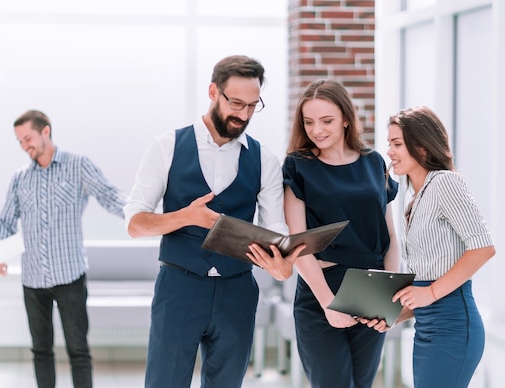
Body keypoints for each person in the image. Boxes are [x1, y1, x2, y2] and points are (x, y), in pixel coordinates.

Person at [124, 55, 297, 388]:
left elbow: (277, 232)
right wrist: (186, 217)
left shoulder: (265, 160)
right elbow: (135, 223)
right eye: (235, 103)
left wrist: (282, 265)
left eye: (252, 105)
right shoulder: (167, 147)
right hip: (179, 289)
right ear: (213, 91)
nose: (243, 114)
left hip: (238, 291)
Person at [247, 79, 400, 388]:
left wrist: (389, 297)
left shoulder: (374, 162)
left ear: (346, 118)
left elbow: (391, 237)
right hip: (322, 289)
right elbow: (298, 243)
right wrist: (329, 303)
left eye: (326, 120)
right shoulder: (298, 165)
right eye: (309, 122)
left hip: (372, 288)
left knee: (363, 383)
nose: (317, 129)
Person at [0, 110, 125, 388]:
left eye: (27, 138)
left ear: (46, 131)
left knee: (78, 350)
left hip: (70, 278)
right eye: (19, 141)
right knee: (41, 351)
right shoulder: (20, 178)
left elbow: (110, 196)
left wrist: (146, 217)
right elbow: (5, 220)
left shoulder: (77, 166)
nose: (24, 145)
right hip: (33, 280)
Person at [363, 106, 495, 387]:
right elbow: (426, 285)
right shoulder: (415, 200)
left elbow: (483, 247)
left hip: (454, 327)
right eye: (389, 144)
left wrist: (430, 292)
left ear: (422, 147)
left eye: (397, 144)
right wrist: (396, 315)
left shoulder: (444, 183)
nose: (389, 152)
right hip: (427, 328)